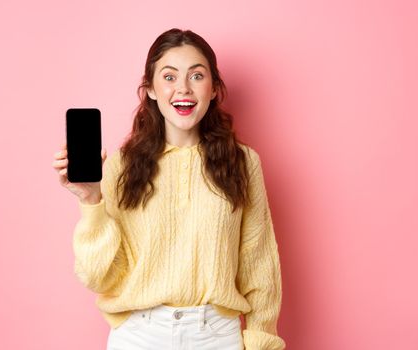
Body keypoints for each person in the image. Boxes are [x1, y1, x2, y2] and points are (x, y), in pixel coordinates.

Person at [52, 28, 286, 350]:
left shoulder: (244, 163)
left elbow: (259, 266)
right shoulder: (121, 166)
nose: (184, 89)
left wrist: (260, 342)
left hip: (217, 337)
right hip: (140, 335)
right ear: (150, 89)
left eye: (197, 76)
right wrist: (91, 199)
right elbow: (98, 277)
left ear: (215, 88)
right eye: (170, 77)